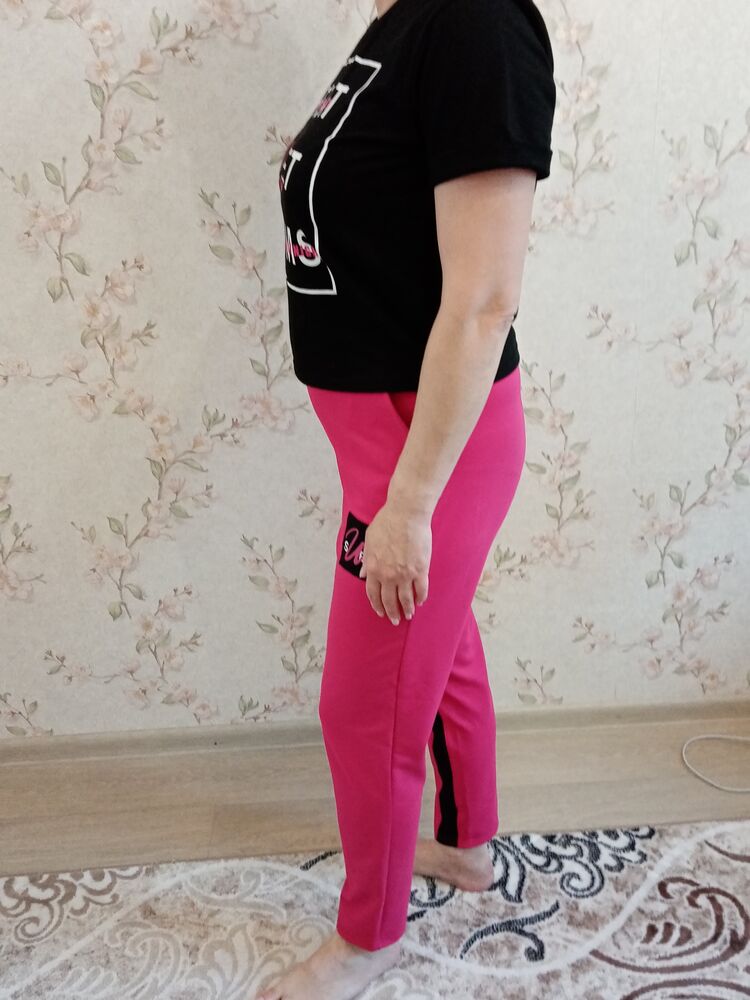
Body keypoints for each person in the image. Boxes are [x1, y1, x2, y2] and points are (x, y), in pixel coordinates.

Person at [260, 0, 556, 995]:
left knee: (364, 709)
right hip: (385, 442)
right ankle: (467, 847)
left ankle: (369, 939)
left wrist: (412, 503)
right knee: (441, 646)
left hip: (424, 449)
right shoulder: (405, 20)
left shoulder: (478, 24)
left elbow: (484, 298)